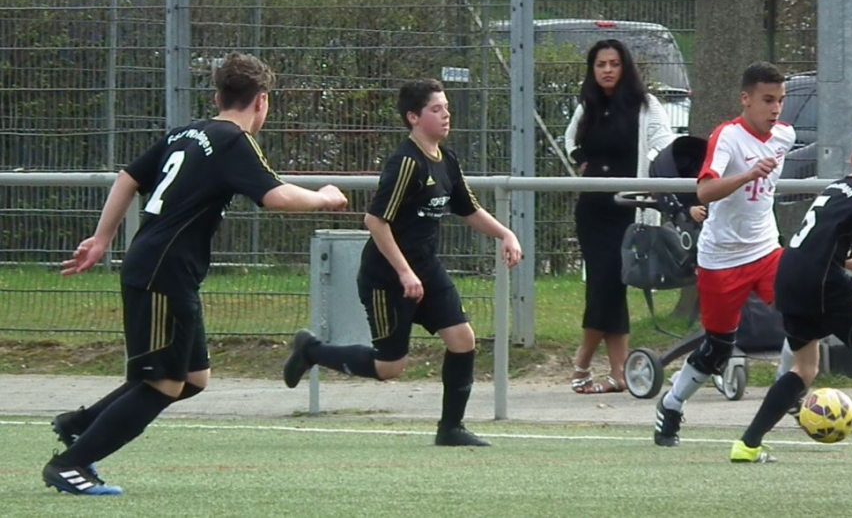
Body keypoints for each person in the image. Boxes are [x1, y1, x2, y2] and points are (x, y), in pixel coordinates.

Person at [43, 52, 349, 495]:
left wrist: (103, 237)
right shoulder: (233, 141)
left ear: (218, 97)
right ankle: (71, 464)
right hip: (163, 272)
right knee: (164, 382)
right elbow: (277, 197)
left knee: (192, 378)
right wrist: (325, 197)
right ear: (261, 101)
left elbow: (128, 177)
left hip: (163, 268)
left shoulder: (185, 133)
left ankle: (82, 425)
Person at [282, 79, 522, 447]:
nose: (446, 115)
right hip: (387, 276)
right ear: (413, 117)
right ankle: (310, 351)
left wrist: (506, 234)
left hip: (426, 269)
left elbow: (468, 209)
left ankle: (451, 429)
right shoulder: (406, 163)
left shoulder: (446, 160)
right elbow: (375, 221)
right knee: (389, 366)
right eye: (436, 109)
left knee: (462, 339)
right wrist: (404, 272)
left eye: (446, 107)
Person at [730, 126, 852, 462]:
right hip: (822, 283)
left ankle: (747, 446)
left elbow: (846, 256)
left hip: (789, 278)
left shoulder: (835, 188)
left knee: (804, 368)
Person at [653, 61, 795, 446]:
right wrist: (747, 175)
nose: (775, 109)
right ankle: (672, 403)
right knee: (717, 347)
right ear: (745, 99)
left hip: (766, 250)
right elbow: (704, 191)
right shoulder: (727, 137)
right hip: (721, 259)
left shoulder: (785, 135)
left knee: (803, 317)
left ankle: (789, 391)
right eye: (767, 100)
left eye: (780, 100)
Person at [563, 39, 674, 394]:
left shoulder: (646, 105)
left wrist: (652, 181)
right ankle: (618, 373)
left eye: (613, 63)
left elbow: (663, 145)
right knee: (605, 284)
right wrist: (582, 161)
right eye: (600, 64)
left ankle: (585, 361)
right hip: (592, 210)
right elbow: (571, 140)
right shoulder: (588, 105)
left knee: (612, 283)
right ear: (592, 69)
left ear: (624, 67)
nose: (607, 70)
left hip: (628, 209)